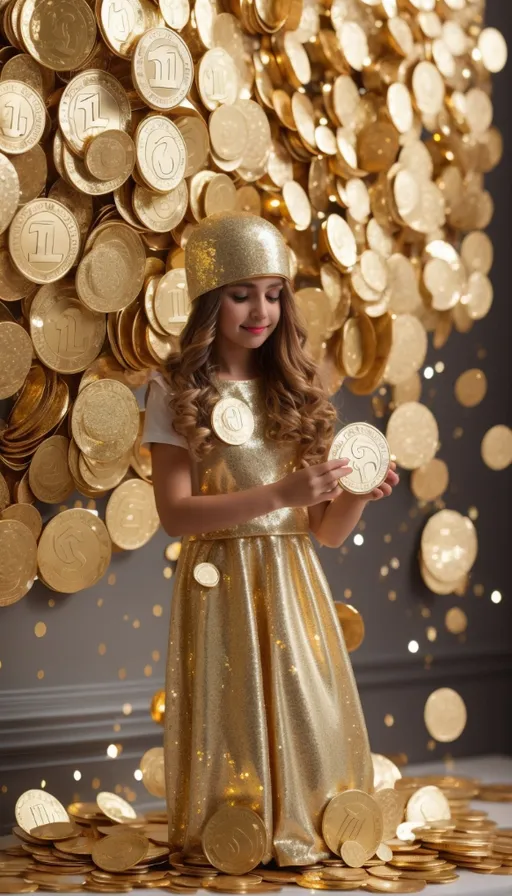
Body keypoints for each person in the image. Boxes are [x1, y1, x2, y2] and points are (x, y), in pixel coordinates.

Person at [142, 211, 399, 867]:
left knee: (306, 708)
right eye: (241, 293)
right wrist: (279, 495)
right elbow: (175, 515)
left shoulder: (296, 391)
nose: (261, 309)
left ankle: (311, 822)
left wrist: (355, 496)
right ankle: (234, 833)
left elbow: (327, 533)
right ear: (209, 301)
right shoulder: (172, 390)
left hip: (293, 585)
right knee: (231, 712)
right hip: (220, 580)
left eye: (273, 292)